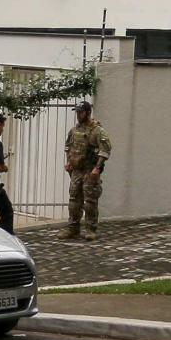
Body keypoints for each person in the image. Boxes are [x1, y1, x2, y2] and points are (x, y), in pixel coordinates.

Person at [63, 99, 112, 241]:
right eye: (77, 112)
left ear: (88, 112)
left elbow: (105, 150)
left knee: (90, 202)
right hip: (77, 171)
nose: (78, 115)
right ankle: (73, 228)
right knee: (74, 201)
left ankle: (90, 229)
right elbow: (68, 147)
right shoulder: (74, 130)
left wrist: (97, 168)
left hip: (89, 170)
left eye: (81, 112)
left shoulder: (97, 131)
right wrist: (69, 162)